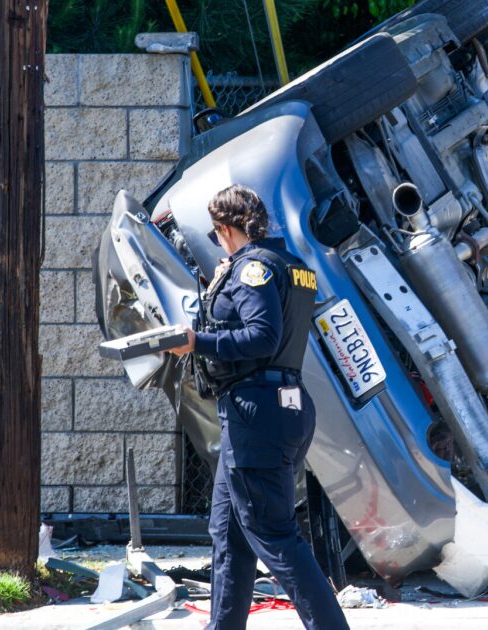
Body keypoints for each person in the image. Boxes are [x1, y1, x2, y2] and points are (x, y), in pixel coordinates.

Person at [170, 184, 349, 630]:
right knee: (229, 537)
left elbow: (262, 336)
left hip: (258, 413)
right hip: (278, 407)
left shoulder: (254, 270)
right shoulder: (291, 266)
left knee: (274, 534)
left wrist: (197, 342)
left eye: (216, 236)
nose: (217, 245)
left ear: (226, 229)